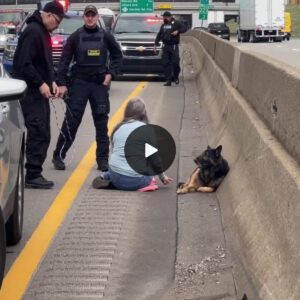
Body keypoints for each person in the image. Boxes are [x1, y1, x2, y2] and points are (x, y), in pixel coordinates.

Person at [52, 5, 122, 172]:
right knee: (71, 121)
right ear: (84, 17)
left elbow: (117, 56)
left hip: (99, 84)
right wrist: (61, 82)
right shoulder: (75, 37)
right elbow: (64, 61)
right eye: (87, 15)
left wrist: (111, 74)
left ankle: (102, 159)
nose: (90, 18)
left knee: (101, 122)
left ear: (98, 17)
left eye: (93, 15)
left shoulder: (106, 36)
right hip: (79, 83)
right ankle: (58, 155)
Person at [12, 1, 67, 189]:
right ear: (49, 15)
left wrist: (51, 80)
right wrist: (40, 83)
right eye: (58, 21)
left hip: (39, 90)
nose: (58, 26)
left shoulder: (42, 33)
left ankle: (35, 172)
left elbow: (44, 63)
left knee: (43, 131)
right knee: (37, 131)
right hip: (30, 92)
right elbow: (24, 64)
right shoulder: (33, 32)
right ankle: (32, 174)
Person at [92, 98, 173, 191]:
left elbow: (115, 151)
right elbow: (155, 159)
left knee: (118, 164)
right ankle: (147, 183)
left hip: (115, 175)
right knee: (149, 170)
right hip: (136, 180)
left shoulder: (118, 128)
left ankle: (106, 176)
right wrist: (162, 176)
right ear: (144, 113)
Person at [154, 11, 186, 86]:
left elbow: (184, 28)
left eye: (165, 17)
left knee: (175, 63)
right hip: (166, 46)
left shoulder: (176, 23)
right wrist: (155, 44)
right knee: (165, 63)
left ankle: (176, 76)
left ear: (169, 17)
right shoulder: (163, 25)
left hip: (173, 45)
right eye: (163, 17)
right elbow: (159, 35)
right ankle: (168, 80)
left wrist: (178, 31)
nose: (164, 18)